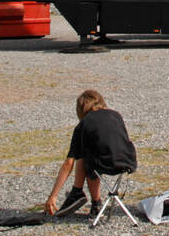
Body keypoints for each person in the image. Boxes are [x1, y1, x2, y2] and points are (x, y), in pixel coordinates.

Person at [45, 89, 137, 220]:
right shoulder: (116, 115)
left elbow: (68, 163)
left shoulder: (84, 124)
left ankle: (89, 199)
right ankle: (79, 194)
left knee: (84, 156)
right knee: (90, 151)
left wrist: (52, 196)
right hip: (128, 161)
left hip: (103, 163)